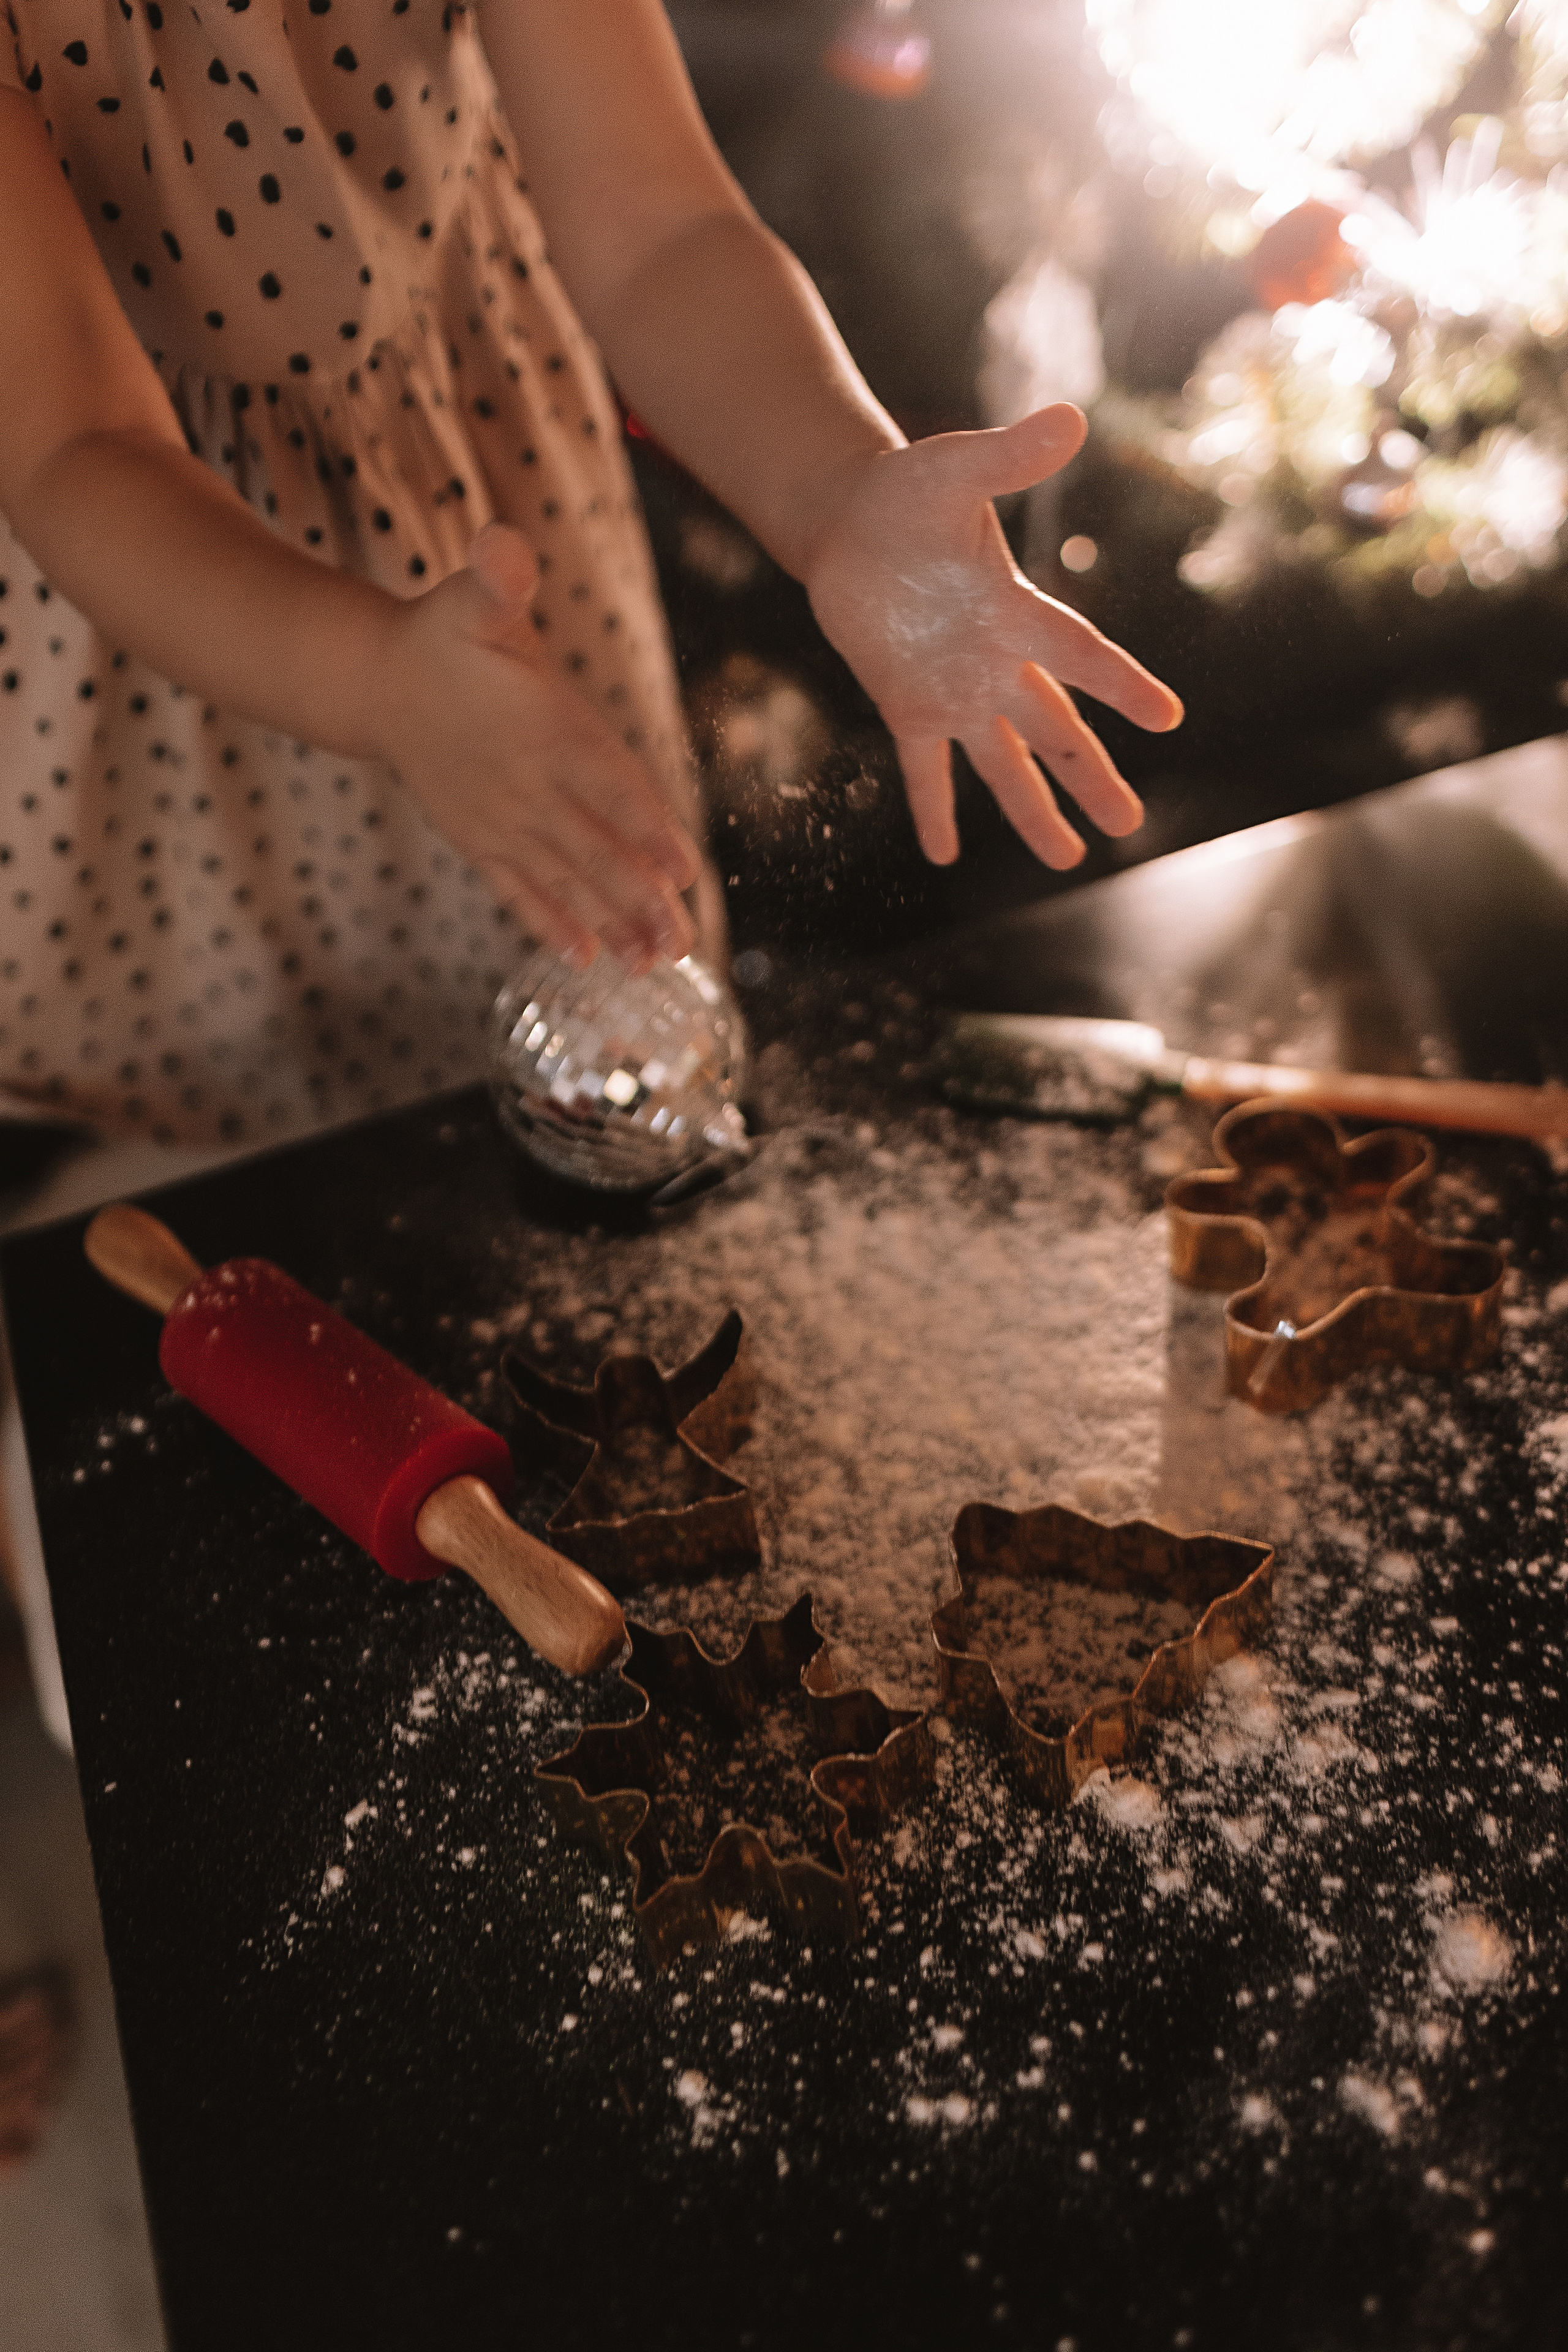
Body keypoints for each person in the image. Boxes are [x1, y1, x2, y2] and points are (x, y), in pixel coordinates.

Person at [0, 0, 1181, 1150]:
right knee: (199, 1195)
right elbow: (75, 448)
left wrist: (835, 491)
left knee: (579, 1096)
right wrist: (378, 684)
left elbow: (658, 229)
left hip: (481, 519)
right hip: (155, 621)